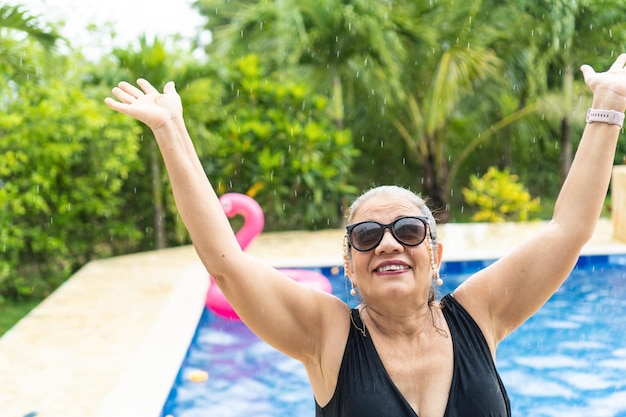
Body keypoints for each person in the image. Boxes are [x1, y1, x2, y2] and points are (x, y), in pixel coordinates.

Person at [105, 54, 626, 417]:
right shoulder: (327, 335)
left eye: (407, 229)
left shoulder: (480, 314)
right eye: (367, 235)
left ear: (435, 253)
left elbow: (569, 230)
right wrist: (170, 130)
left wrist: (607, 107)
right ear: (349, 266)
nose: (388, 243)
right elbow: (226, 262)